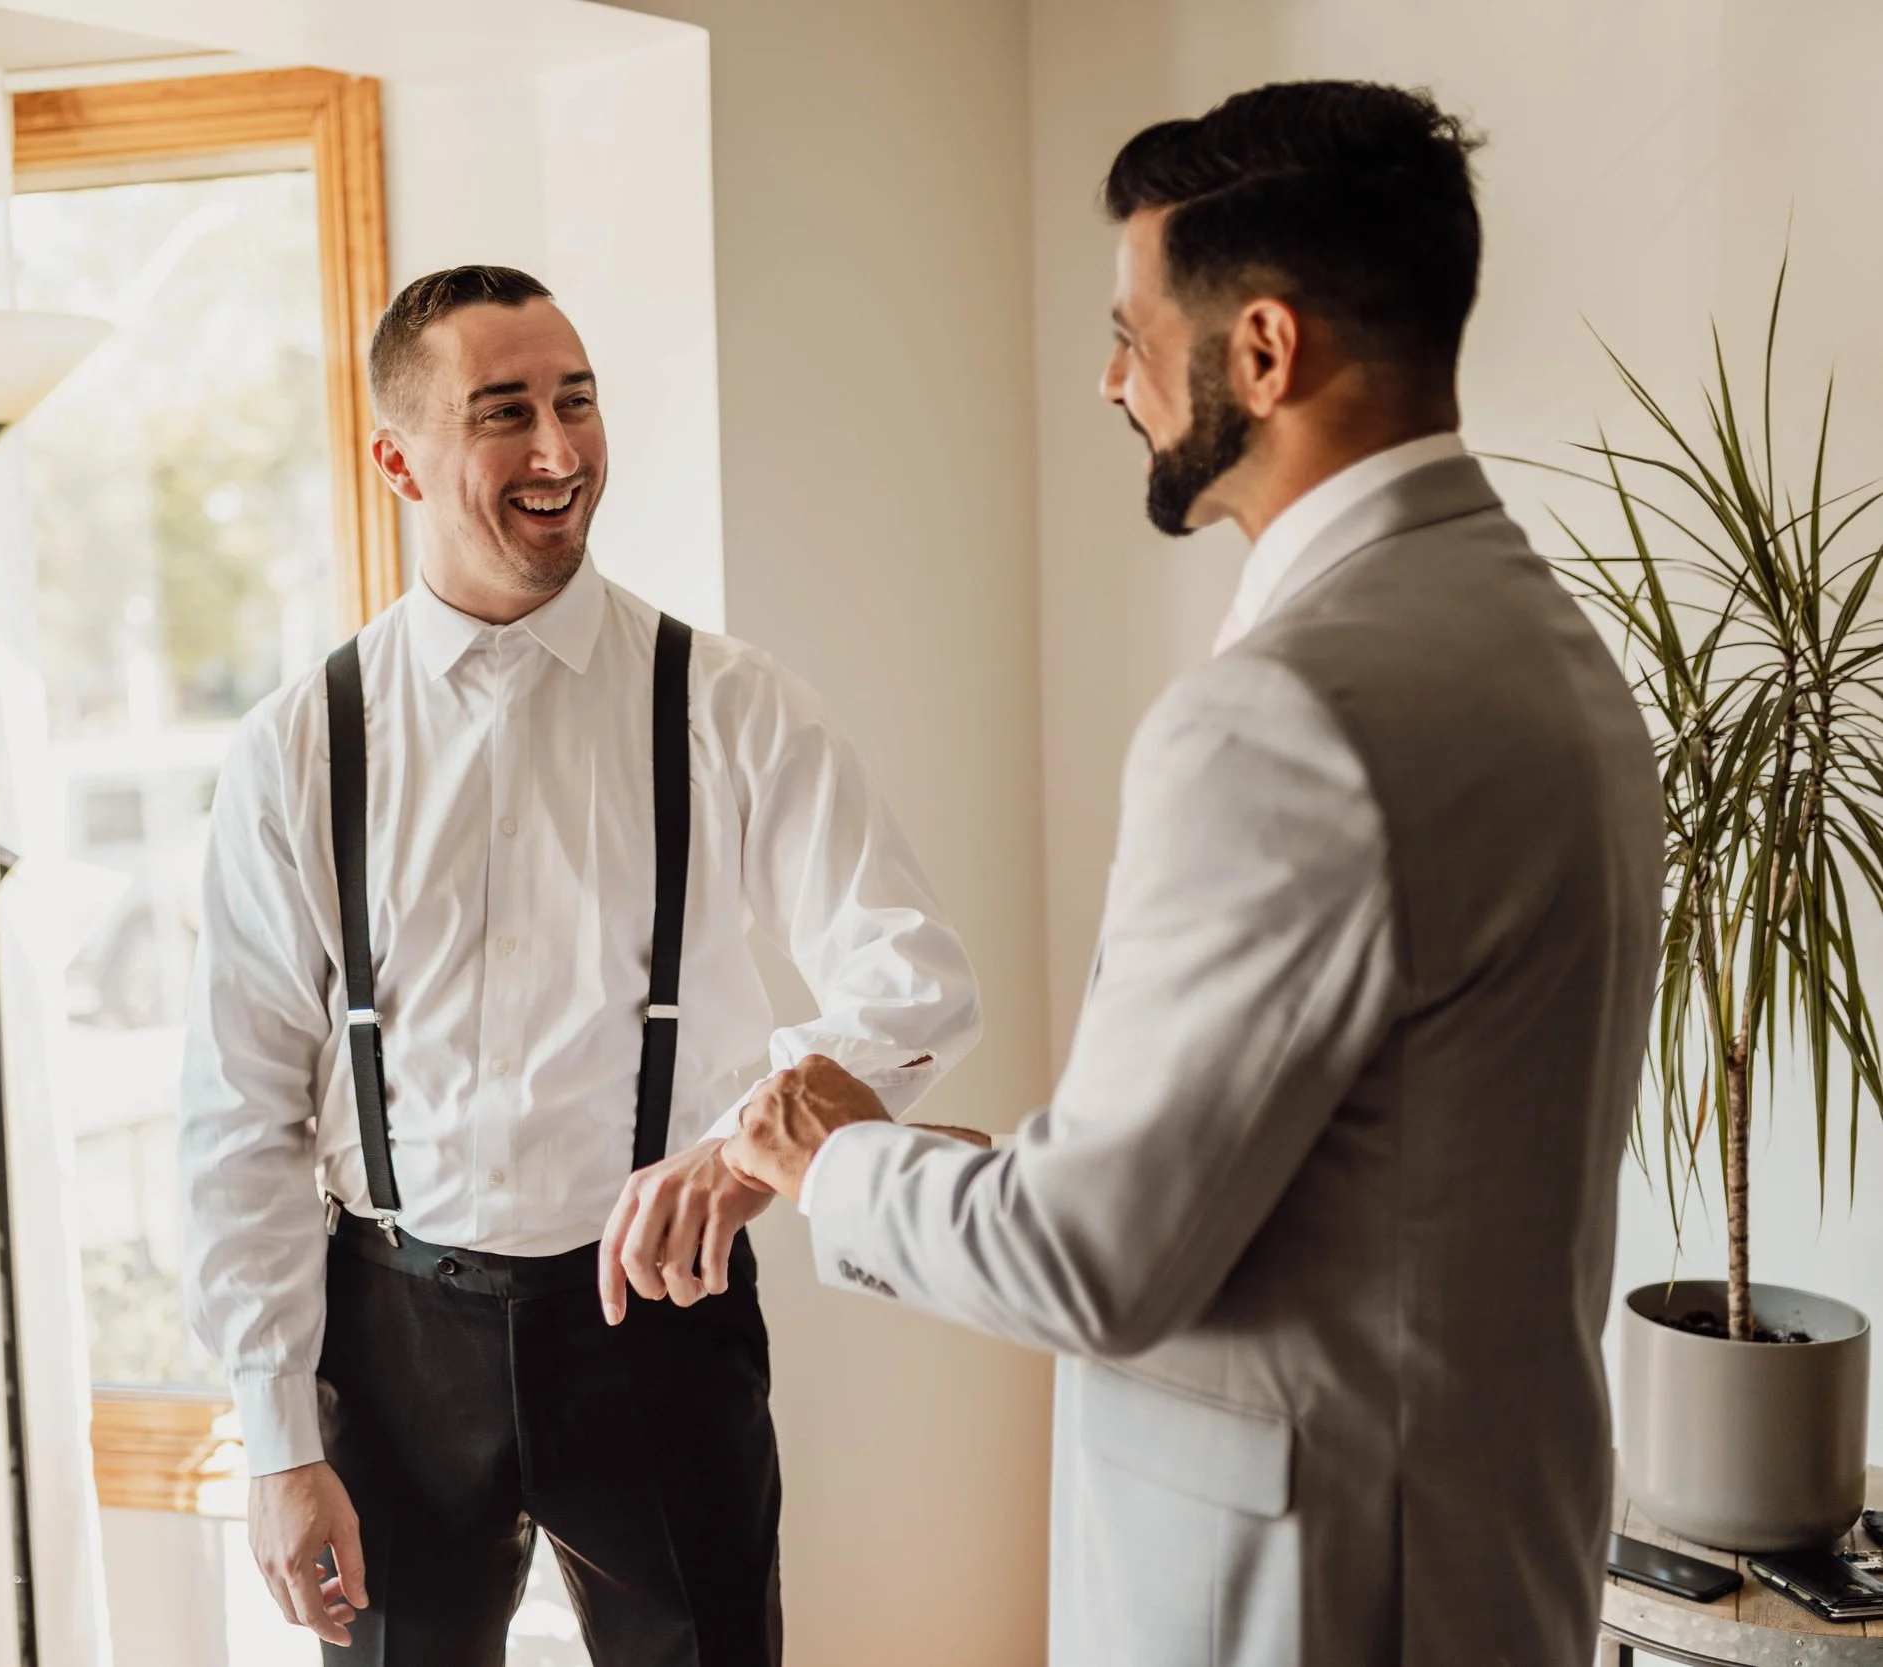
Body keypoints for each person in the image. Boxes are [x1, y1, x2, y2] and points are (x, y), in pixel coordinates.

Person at [725, 82, 1662, 1667]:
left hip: (1306, 1599)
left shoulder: (1282, 716)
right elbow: (1371, 1149)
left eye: (1132, 333)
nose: (1110, 380)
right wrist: (1000, 1156)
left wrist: (835, 1164)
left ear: (1264, 352)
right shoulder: (1548, 645)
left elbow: (1094, 1261)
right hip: (1487, 1561)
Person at [179, 263, 982, 1666]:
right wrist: (274, 1435)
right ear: (398, 458)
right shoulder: (302, 747)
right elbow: (240, 1111)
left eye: (578, 402)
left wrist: (742, 1150)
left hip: (662, 1334)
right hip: (391, 1336)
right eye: (507, 414)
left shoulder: (725, 705)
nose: (561, 453)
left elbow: (918, 977)